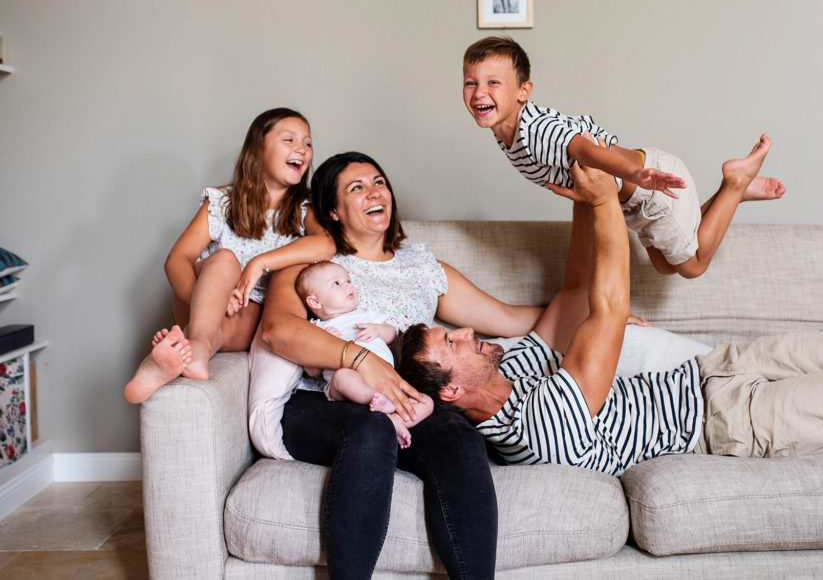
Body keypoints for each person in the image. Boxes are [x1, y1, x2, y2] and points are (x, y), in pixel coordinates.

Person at [398, 154, 823, 477]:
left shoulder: (513, 369)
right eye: (450, 342)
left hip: (716, 368)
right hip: (740, 419)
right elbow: (609, 311)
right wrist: (611, 202)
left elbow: (572, 297)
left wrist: (591, 202)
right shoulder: (530, 428)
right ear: (451, 389)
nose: (467, 332)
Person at [257, 151, 544, 579]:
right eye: (356, 188)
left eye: (379, 182)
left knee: (460, 436)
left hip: (403, 399)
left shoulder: (424, 268)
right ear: (332, 211)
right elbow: (277, 330)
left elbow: (512, 319)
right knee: (370, 428)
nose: (375, 192)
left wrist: (593, 316)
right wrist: (359, 360)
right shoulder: (310, 268)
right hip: (323, 400)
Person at [462, 35, 786, 279]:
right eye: (470, 83)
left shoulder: (534, 131)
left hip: (646, 187)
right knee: (664, 265)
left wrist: (634, 173)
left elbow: (584, 149)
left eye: (493, 83)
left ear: (523, 90)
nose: (479, 92)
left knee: (692, 266)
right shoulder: (510, 131)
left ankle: (734, 184)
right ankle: (734, 193)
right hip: (637, 197)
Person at [123, 107, 334, 404]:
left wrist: (260, 263)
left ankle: (178, 354)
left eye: (308, 143)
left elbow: (325, 244)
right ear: (258, 150)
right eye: (289, 140)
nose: (302, 148)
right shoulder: (223, 202)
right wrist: (205, 298)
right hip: (202, 301)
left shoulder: (304, 208)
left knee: (222, 320)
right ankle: (193, 348)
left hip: (247, 316)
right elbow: (177, 259)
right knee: (224, 259)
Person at [294, 260, 433, 448]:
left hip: (385, 380)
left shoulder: (366, 314)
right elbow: (311, 371)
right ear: (315, 301)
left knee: (426, 402)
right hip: (345, 389)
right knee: (343, 376)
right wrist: (324, 342)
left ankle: (395, 422)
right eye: (336, 283)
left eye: (348, 280)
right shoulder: (318, 329)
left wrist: (378, 330)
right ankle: (374, 400)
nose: (348, 285)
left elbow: (392, 334)